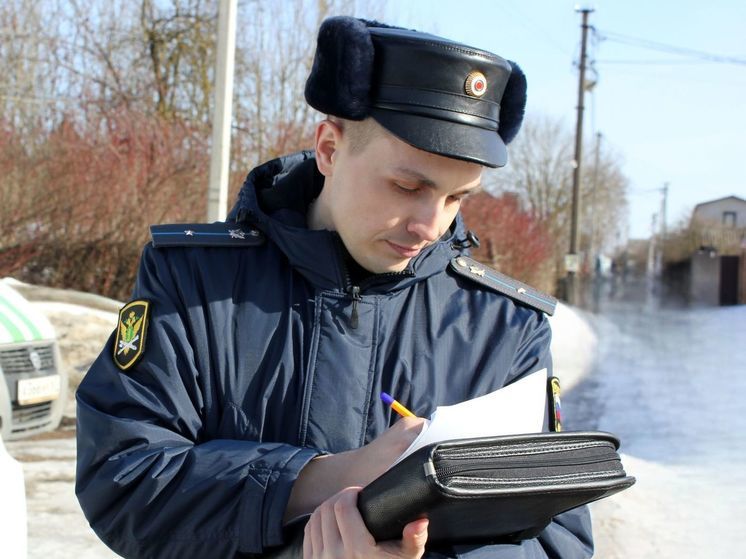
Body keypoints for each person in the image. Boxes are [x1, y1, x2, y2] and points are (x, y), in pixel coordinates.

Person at [75, 16, 593, 559]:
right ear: (329, 148)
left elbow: (558, 540)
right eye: (406, 185)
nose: (429, 225)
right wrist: (327, 480)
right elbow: (125, 476)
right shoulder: (196, 281)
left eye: (457, 197)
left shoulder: (504, 327)